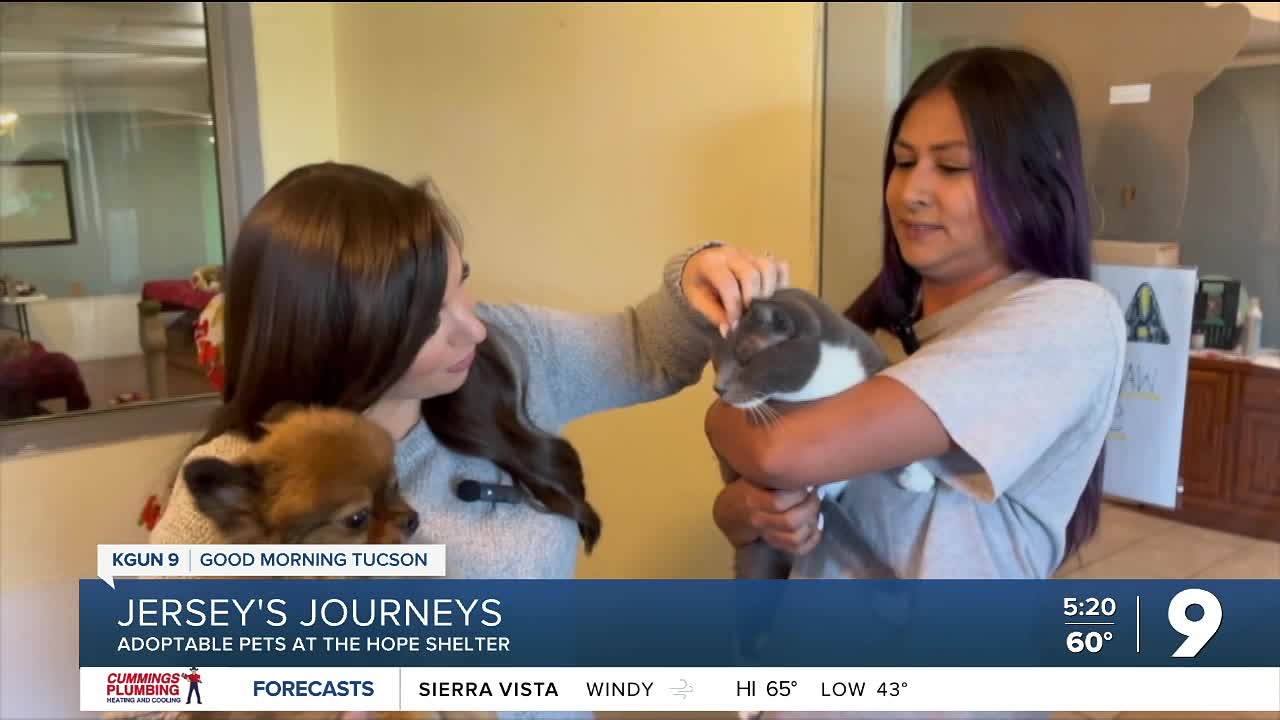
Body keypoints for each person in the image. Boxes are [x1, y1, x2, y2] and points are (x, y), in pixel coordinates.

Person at [147, 161, 783, 584]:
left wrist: (699, 276)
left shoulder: (508, 352)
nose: (473, 328)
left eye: (463, 284)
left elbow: (649, 348)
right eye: (431, 317)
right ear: (344, 339)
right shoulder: (250, 482)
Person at [706, 46, 1127, 587]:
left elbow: (780, 450)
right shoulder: (867, 332)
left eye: (952, 167)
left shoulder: (1069, 318)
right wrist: (745, 513)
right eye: (904, 162)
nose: (910, 192)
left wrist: (720, 421)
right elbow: (760, 504)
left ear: (1035, 182)